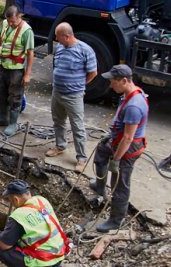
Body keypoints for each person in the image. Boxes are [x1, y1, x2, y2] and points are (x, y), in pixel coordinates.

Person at [90, 64, 148, 233]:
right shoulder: (129, 94)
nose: (110, 85)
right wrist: (111, 134)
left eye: (113, 82)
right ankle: (100, 185)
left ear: (124, 80)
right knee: (101, 151)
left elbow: (128, 138)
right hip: (118, 140)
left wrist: (116, 159)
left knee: (119, 183)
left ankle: (116, 219)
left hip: (127, 148)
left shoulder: (134, 106)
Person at [45, 23, 97, 173]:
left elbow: (93, 72)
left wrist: (80, 85)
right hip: (57, 92)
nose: (55, 39)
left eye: (57, 36)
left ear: (66, 36)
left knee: (77, 126)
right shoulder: (60, 47)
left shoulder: (85, 50)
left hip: (73, 96)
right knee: (58, 121)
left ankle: (81, 158)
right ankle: (60, 146)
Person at [0, 179, 69, 267]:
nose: (10, 202)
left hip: (42, 263)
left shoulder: (19, 215)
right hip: (58, 255)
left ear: (16, 199)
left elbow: (4, 245)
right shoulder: (42, 200)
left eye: (10, 200)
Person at [0, 5, 35, 136]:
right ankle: (4, 118)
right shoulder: (5, 24)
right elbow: (0, 45)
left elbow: (31, 54)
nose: (10, 24)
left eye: (13, 21)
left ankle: (13, 124)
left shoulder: (27, 31)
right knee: (1, 93)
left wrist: (27, 74)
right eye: (8, 21)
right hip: (3, 66)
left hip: (16, 70)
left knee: (15, 97)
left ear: (19, 16)